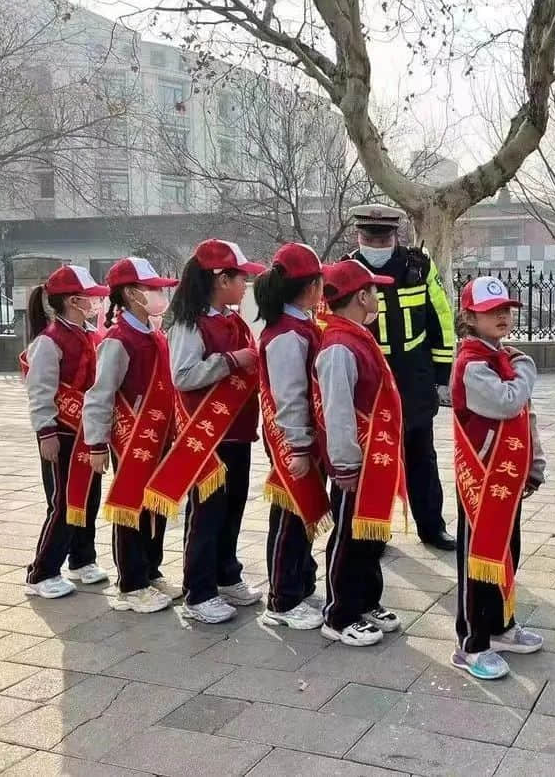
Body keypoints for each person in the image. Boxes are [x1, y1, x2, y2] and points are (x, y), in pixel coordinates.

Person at [152, 239, 265, 624]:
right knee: (207, 514)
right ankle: (198, 591)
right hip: (208, 437)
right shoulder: (189, 323)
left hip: (237, 432)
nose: (245, 285)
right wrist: (231, 360)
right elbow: (182, 376)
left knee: (232, 508)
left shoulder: (232, 319)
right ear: (220, 279)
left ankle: (225, 573)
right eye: (240, 278)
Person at [450, 276, 546, 680]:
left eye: (507, 309)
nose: (503, 316)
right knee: (479, 560)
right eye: (492, 311)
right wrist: (526, 368)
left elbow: (526, 416)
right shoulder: (473, 363)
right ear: (469, 316)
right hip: (482, 481)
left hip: (508, 478)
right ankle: (472, 644)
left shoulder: (502, 357)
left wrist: (535, 463)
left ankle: (501, 625)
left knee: (507, 553)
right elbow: (508, 403)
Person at [346, 204, 456, 551]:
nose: (376, 244)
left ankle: (431, 527)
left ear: (396, 235)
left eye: (383, 237)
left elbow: (441, 319)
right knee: (374, 459)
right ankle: (374, 531)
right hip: (367, 381)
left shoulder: (418, 266)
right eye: (369, 237)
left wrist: (442, 376)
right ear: (358, 236)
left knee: (421, 457)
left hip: (413, 378)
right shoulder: (346, 270)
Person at [316, 260, 410, 646]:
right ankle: (339, 613)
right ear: (360, 296)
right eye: (374, 290)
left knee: (372, 534)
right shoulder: (339, 347)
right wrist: (345, 464)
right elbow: (337, 410)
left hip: (377, 459)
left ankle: (367, 600)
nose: (378, 297)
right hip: (356, 461)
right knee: (350, 536)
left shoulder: (357, 336)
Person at [82, 258, 179, 613]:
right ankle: (131, 584)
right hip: (132, 437)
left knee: (157, 505)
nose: (158, 294)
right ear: (131, 293)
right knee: (131, 508)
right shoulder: (118, 340)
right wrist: (96, 443)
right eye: (151, 289)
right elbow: (100, 395)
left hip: (161, 436)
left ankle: (151, 571)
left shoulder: (154, 335)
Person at [21, 266, 111, 599]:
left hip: (88, 432)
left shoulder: (89, 334)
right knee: (62, 502)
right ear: (74, 300)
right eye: (91, 297)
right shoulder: (49, 341)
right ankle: (42, 572)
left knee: (88, 497)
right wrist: (45, 432)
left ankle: (82, 558)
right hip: (61, 433)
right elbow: (40, 391)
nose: (96, 302)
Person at [255, 243, 330, 630]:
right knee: (291, 514)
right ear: (312, 286)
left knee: (302, 515)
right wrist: (299, 446)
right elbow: (289, 396)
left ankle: (299, 583)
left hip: (305, 438)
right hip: (293, 439)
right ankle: (282, 601)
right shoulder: (287, 334)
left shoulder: (300, 325)